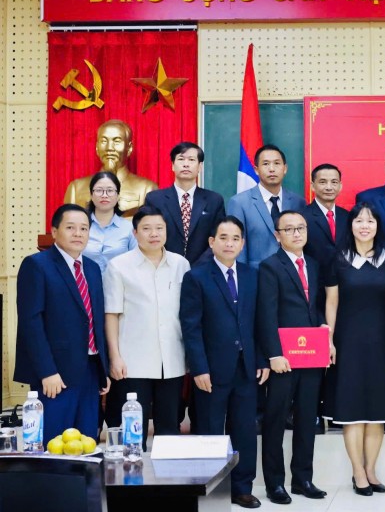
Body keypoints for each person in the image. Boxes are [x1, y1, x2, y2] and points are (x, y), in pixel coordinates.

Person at [179, 215, 269, 509]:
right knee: (210, 430)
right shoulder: (196, 276)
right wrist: (199, 368)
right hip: (212, 371)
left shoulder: (253, 275)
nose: (229, 243)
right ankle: (212, 487)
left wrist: (264, 359)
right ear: (212, 242)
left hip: (247, 367)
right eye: (224, 238)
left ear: (243, 244)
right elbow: (190, 327)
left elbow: (260, 323)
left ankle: (242, 488)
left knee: (244, 429)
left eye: (235, 239)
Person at [323, 202, 385, 496]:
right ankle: (358, 472)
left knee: (378, 410)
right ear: (351, 225)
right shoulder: (338, 259)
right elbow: (331, 303)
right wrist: (329, 339)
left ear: (378, 226)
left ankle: (371, 470)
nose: (365, 225)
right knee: (352, 409)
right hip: (348, 341)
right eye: (359, 221)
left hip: (382, 342)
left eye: (370, 221)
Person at [14, 204, 111, 443]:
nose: (78, 233)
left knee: (87, 441)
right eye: (70, 228)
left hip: (89, 369)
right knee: (53, 444)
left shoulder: (92, 268)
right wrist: (47, 371)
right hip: (55, 375)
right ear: (54, 231)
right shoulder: (37, 265)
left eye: (84, 228)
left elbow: (95, 319)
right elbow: (31, 323)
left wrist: (103, 368)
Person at [255, 211, 329, 504]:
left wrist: (323, 326)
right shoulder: (270, 267)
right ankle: (275, 483)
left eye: (301, 228)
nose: (297, 234)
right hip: (283, 358)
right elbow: (266, 314)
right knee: (275, 420)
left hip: (311, 354)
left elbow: (315, 305)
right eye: (289, 229)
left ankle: (303, 479)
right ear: (277, 235)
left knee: (307, 418)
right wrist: (273, 354)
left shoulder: (312, 263)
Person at [102, 206, 190, 449]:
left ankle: (169, 485)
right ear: (135, 232)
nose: (154, 234)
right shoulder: (119, 266)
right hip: (133, 363)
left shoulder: (180, 264)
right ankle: (132, 483)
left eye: (159, 228)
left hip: (171, 361)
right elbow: (111, 314)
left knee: (169, 429)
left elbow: (188, 315)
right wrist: (115, 357)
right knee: (133, 432)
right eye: (147, 229)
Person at [143, 141, 226, 265]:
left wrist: (198, 267)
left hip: (202, 271)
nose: (186, 164)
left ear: (200, 167)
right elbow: (149, 234)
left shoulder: (214, 200)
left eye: (191, 160)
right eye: (181, 159)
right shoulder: (155, 199)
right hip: (163, 267)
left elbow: (218, 237)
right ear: (172, 165)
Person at [227, 144, 305, 266]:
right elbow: (237, 249)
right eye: (266, 164)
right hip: (256, 277)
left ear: (285, 169)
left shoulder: (297, 202)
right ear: (256, 170)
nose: (272, 169)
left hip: (291, 277)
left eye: (277, 163)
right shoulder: (239, 203)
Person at [64, 119, 158, 214]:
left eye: (117, 141)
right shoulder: (76, 188)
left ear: (129, 148)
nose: (109, 148)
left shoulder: (147, 189)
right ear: (97, 147)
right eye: (104, 141)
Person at [82, 171, 138, 273]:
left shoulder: (129, 228)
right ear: (91, 194)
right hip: (85, 286)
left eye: (110, 190)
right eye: (99, 190)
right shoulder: (81, 226)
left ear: (118, 195)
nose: (104, 195)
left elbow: (137, 263)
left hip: (119, 286)